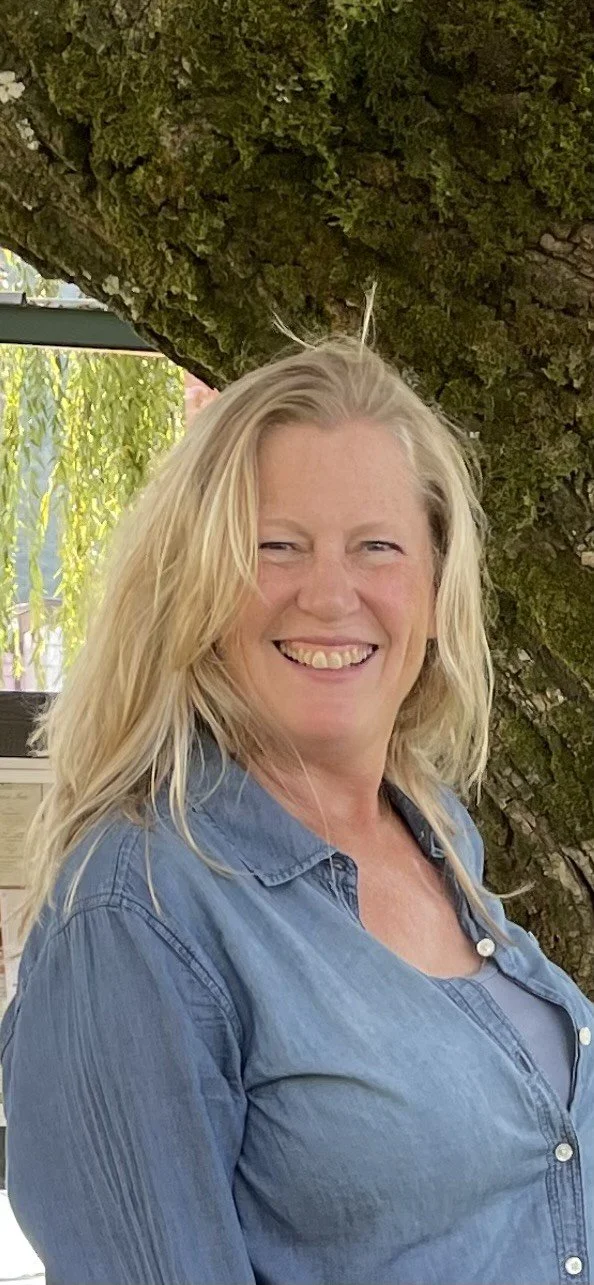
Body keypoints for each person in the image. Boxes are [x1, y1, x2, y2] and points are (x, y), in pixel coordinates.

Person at [1, 291, 593, 1285]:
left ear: (435, 589)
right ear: (196, 584)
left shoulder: (435, 828)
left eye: (377, 546)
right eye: (276, 546)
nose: (328, 593)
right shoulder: (135, 913)